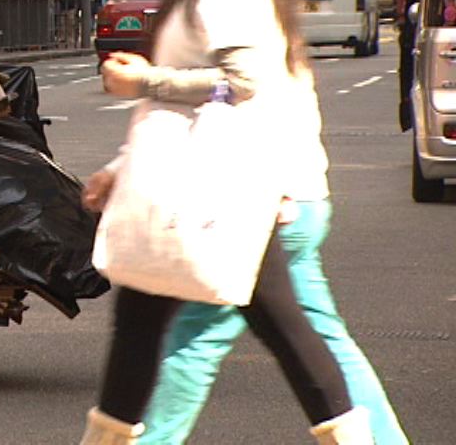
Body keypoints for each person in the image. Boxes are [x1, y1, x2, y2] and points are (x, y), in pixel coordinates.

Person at [78, 0, 372, 443]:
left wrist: (144, 80)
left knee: (191, 330)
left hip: (219, 190)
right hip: (216, 186)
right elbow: (178, 107)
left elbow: (241, 81)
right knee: (278, 332)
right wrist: (119, 167)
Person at [137, 75, 409, 443]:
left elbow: (238, 89)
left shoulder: (244, 40)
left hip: (257, 205)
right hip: (301, 198)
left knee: (196, 337)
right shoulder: (282, 42)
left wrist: (144, 81)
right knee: (322, 338)